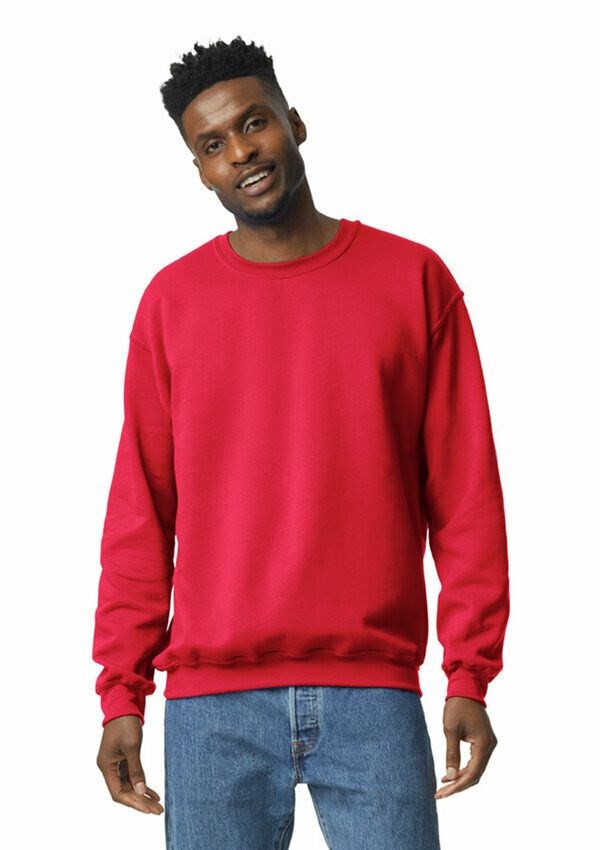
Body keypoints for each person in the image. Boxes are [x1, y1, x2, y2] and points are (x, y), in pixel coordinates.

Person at [92, 35, 510, 850]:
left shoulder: (413, 280)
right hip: (211, 708)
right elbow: (141, 511)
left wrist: (471, 672)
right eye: (213, 144)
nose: (241, 152)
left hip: (374, 694)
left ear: (296, 123)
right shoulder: (171, 304)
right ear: (200, 169)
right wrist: (120, 692)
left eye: (255, 123)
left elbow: (465, 496)